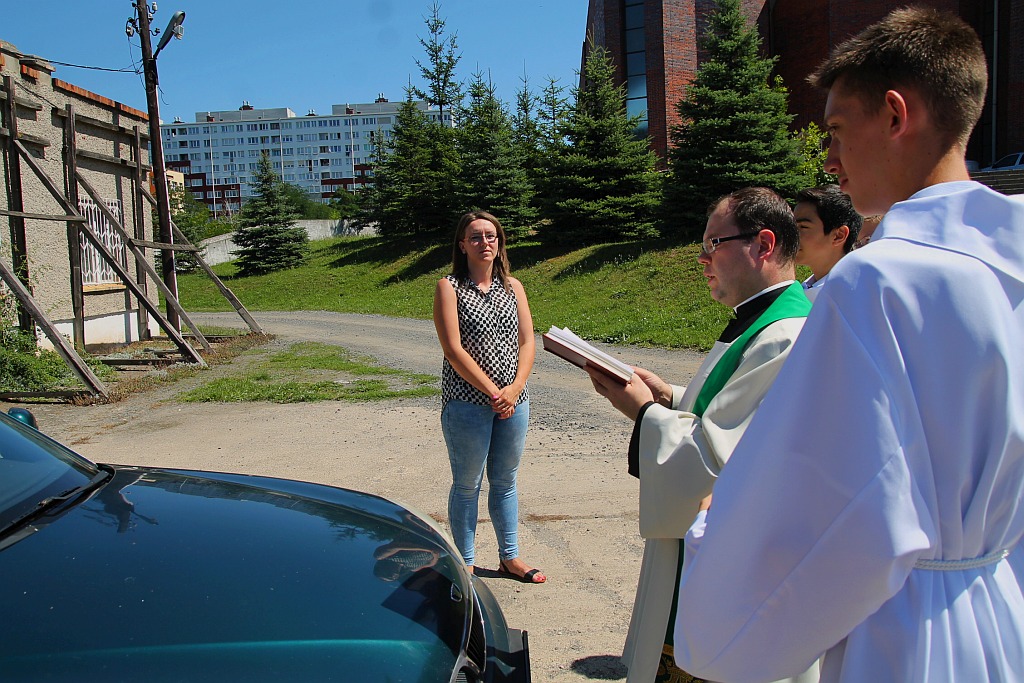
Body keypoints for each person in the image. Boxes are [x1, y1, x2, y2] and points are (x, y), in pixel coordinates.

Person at [672, 8, 1024, 682]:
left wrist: (713, 537)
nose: (829, 160)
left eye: (836, 130)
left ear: (895, 115)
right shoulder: (1011, 261)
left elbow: (834, 516)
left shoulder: (876, 282)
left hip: (909, 636)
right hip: (1003, 610)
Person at [586, 187, 814, 682]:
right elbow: (728, 413)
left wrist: (644, 411)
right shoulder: (759, 321)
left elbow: (719, 462)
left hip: (742, 568)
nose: (702, 258)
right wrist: (669, 396)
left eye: (714, 244)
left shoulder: (785, 335)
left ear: (764, 244)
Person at [432, 210, 545, 584]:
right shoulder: (449, 287)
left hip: (514, 402)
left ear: (500, 243)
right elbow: (453, 349)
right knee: (467, 485)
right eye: (476, 237)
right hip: (466, 403)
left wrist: (514, 389)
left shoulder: (513, 287)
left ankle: (509, 558)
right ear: (462, 245)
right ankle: (464, 563)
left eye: (491, 236)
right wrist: (495, 392)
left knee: (505, 481)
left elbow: (527, 342)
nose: (485, 242)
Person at [793, 184, 861, 302]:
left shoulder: (853, 296)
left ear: (838, 235)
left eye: (803, 227)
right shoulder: (805, 289)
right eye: (793, 226)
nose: (792, 235)